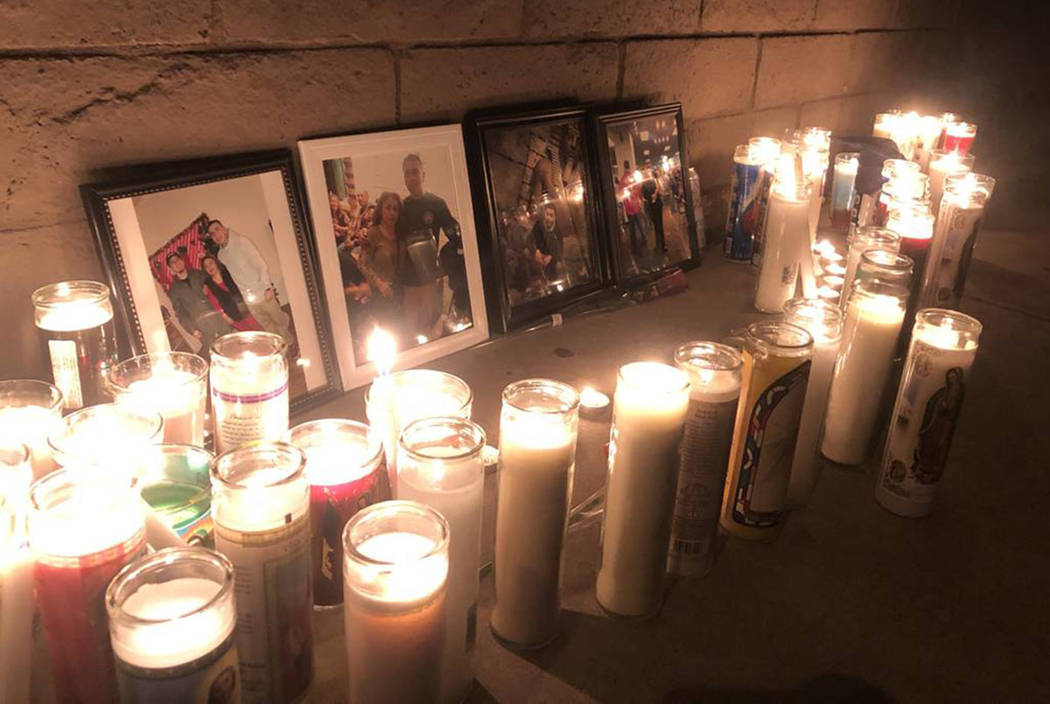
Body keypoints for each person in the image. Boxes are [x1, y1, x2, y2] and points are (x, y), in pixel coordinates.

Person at [397, 153, 467, 339]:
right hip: (408, 279)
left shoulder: (436, 204)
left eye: (415, 172)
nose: (411, 177)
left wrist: (449, 262)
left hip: (429, 276)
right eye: (407, 174)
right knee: (410, 330)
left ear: (423, 175)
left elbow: (455, 234)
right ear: (404, 177)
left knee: (429, 330)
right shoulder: (401, 208)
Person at [206, 219, 294, 343]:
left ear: (224, 228)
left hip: (263, 292)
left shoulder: (242, 242)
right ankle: (281, 347)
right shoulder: (221, 255)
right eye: (212, 234)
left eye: (217, 229)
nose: (216, 234)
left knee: (280, 320)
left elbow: (260, 265)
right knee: (268, 326)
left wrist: (268, 287)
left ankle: (291, 344)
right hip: (249, 300)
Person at [164, 251, 232, 352]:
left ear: (182, 261)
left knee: (231, 345)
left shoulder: (198, 274)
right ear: (171, 269)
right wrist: (192, 330)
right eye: (173, 262)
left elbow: (217, 288)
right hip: (203, 328)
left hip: (219, 318)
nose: (177, 263)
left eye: (178, 259)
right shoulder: (174, 290)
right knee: (216, 354)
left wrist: (227, 312)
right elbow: (181, 313)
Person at [357, 192, 401, 338]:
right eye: (388, 208)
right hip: (381, 295)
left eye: (395, 209)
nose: (392, 212)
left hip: (400, 292)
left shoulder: (401, 233)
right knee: (388, 335)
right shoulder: (373, 233)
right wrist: (379, 283)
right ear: (381, 210)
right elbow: (362, 263)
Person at [200, 254, 262, 332]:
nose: (209, 267)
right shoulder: (209, 285)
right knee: (248, 335)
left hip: (247, 308)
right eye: (206, 266)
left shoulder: (228, 273)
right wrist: (225, 317)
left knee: (259, 330)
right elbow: (215, 304)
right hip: (233, 315)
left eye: (211, 263)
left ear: (216, 263)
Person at [642, 168, 666, 253]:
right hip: (656, 205)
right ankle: (662, 245)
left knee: (657, 226)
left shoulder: (645, 184)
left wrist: (652, 197)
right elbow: (661, 191)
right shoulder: (653, 182)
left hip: (653, 207)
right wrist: (655, 195)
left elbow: (644, 197)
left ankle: (659, 245)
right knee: (659, 225)